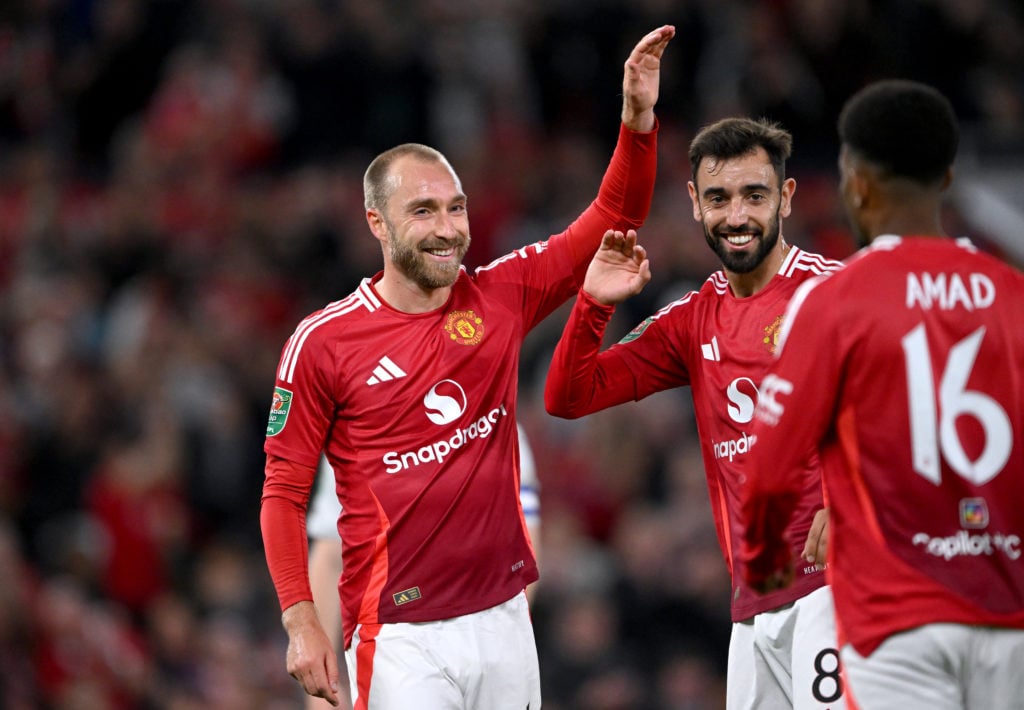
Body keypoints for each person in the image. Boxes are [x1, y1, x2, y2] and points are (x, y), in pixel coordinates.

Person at [259, 24, 675, 709]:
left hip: (506, 619)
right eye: (423, 211)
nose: (448, 227)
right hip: (398, 637)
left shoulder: (500, 295)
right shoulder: (323, 342)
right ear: (376, 224)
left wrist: (636, 121)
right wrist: (301, 620)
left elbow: (613, 215)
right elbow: (283, 491)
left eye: (455, 208)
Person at [739, 79, 1024, 709]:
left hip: (898, 623)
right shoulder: (1013, 296)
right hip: (1008, 620)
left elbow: (769, 468)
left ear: (857, 181)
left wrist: (762, 560)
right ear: (948, 177)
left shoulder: (840, 300)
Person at [544, 117, 847, 709]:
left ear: (785, 197)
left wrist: (846, 497)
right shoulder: (692, 318)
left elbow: (903, 410)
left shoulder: (834, 294)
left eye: (754, 195)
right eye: (719, 197)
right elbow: (568, 396)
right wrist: (593, 304)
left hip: (838, 589)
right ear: (694, 203)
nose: (737, 215)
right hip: (751, 609)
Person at [303, 423, 542, 710]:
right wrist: (320, 690)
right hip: (399, 644)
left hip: (489, 633)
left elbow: (525, 547)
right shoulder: (356, 427)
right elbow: (330, 555)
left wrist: (494, 650)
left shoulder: (494, 413)